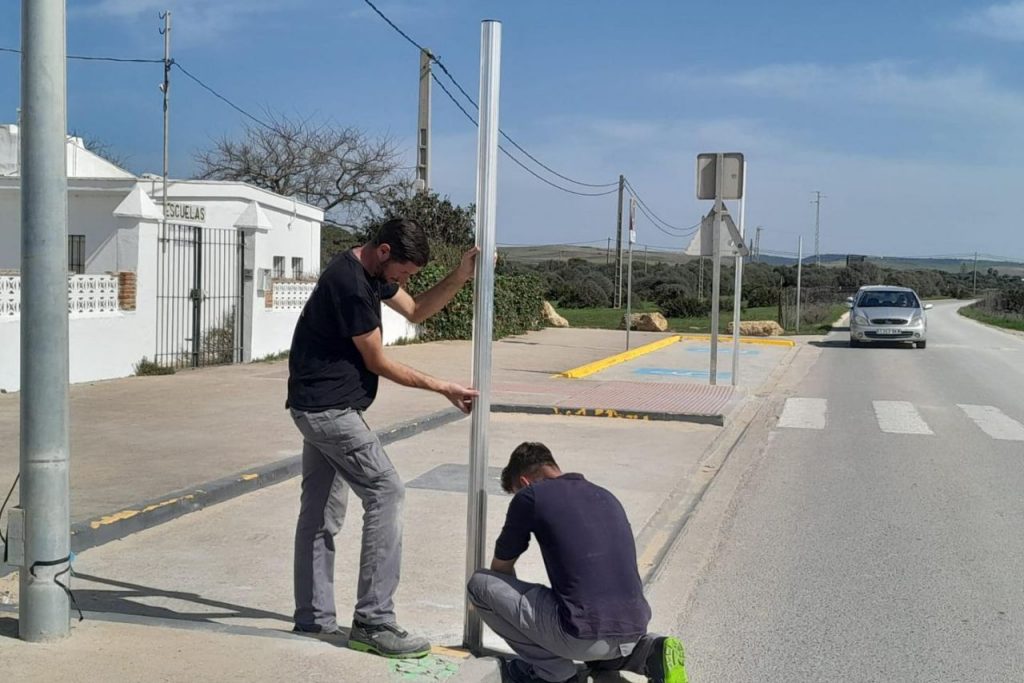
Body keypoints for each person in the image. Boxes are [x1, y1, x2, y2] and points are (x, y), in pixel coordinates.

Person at [287, 217, 479, 658]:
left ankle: (313, 618)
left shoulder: (370, 273)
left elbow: (416, 311)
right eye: (405, 272)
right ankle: (374, 621)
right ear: (385, 252)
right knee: (386, 491)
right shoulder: (352, 284)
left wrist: (459, 276)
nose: (405, 281)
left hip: (315, 407)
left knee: (319, 513)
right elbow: (378, 361)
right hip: (330, 412)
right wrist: (444, 387)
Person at [467, 442, 688, 683]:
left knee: (480, 585)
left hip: (580, 636)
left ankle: (555, 674)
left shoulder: (531, 497)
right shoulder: (605, 495)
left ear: (525, 481)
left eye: (516, 490)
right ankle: (651, 651)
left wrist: (519, 621)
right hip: (634, 628)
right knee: (588, 612)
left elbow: (501, 569)